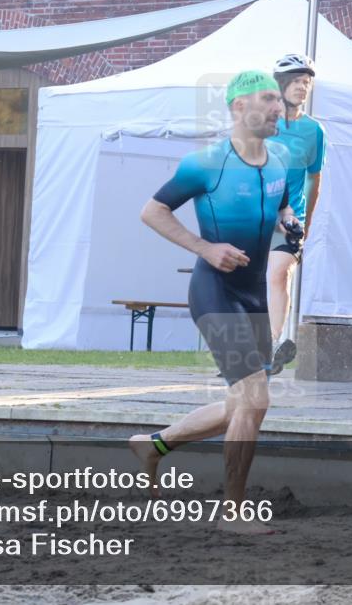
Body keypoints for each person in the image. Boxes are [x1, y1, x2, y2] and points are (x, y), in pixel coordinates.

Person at [129, 70, 298, 535]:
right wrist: (205, 248)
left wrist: (288, 220)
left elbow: (280, 203)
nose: (278, 107)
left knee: (237, 405)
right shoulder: (205, 163)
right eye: (268, 98)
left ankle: (153, 445)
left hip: (252, 294)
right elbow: (152, 211)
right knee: (256, 399)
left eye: (278, 100)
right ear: (238, 107)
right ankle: (233, 513)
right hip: (215, 292)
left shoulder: (281, 159)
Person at [266, 53, 327, 375]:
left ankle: (272, 347)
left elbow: (314, 180)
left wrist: (308, 223)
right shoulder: (261, 124)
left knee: (278, 273)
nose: (302, 87)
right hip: (253, 213)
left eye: (307, 82)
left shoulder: (314, 132)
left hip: (290, 220)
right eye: (296, 82)